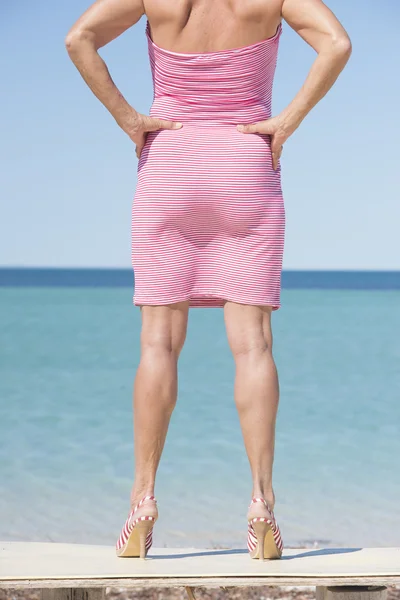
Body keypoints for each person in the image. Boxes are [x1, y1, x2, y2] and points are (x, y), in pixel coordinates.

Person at [65, 0, 351, 560]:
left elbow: (79, 38)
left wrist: (131, 119)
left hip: (170, 164)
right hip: (246, 163)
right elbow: (337, 44)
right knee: (253, 347)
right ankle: (262, 505)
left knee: (158, 344)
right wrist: (285, 123)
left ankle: (142, 503)